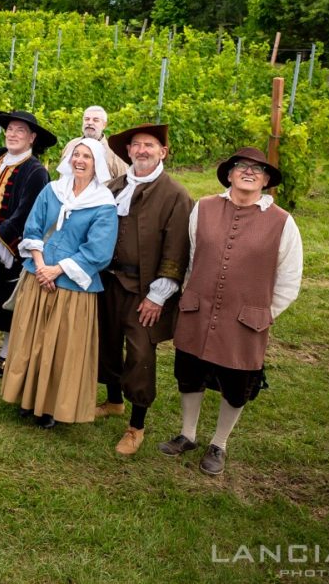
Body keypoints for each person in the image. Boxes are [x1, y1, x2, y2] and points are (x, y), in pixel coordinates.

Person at [159, 147, 302, 476]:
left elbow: (289, 279)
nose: (249, 172)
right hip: (198, 308)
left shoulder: (282, 222)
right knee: (189, 375)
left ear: (266, 179)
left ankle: (219, 443)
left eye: (257, 169)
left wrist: (263, 314)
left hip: (246, 320)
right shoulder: (204, 208)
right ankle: (188, 434)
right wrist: (189, 294)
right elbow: (192, 257)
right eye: (241, 166)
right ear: (230, 174)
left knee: (236, 385)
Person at [1, 137, 118, 429]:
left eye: (87, 157)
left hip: (72, 289)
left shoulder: (103, 204)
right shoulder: (51, 191)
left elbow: (99, 251)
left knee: (61, 348)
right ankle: (26, 398)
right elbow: (33, 228)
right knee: (31, 341)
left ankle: (51, 406)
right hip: (37, 278)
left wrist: (57, 270)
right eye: (76, 155)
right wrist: (41, 266)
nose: (79, 161)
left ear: (97, 164)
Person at [96, 123, 192, 456]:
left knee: (139, 354)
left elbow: (177, 250)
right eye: (136, 145)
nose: (141, 150)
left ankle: (136, 425)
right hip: (108, 280)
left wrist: (158, 295)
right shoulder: (113, 186)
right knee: (105, 342)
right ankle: (112, 400)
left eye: (149, 145)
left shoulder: (176, 196)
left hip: (144, 289)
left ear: (163, 152)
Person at [0, 109, 55, 378]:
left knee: (7, 302)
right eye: (10, 129)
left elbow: (25, 212)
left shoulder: (35, 171)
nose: (13, 134)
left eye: (20, 131)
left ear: (32, 138)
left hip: (11, 246)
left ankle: (5, 356)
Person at [80, 106, 130, 179]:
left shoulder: (114, 151)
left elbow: (124, 182)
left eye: (95, 120)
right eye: (87, 119)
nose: (90, 123)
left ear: (104, 125)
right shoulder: (71, 145)